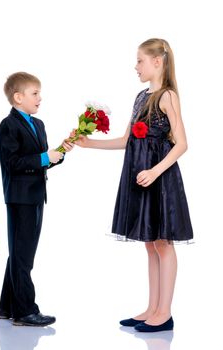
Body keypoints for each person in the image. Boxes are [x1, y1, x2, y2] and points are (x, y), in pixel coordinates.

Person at [74, 38, 193, 332]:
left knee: (163, 243)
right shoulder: (140, 97)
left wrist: (154, 171)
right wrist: (91, 144)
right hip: (140, 176)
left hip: (159, 179)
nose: (135, 66)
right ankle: (152, 307)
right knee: (150, 244)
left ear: (157, 62)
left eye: (140, 61)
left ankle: (164, 312)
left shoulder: (167, 96)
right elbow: (128, 141)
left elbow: (182, 144)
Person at [0, 72, 73, 327]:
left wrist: (59, 152)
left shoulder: (37, 124)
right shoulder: (8, 126)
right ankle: (25, 310)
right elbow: (13, 163)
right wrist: (43, 158)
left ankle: (7, 307)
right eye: (34, 93)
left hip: (36, 196)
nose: (40, 98)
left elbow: (42, 161)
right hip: (19, 198)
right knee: (23, 256)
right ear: (18, 98)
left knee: (19, 253)